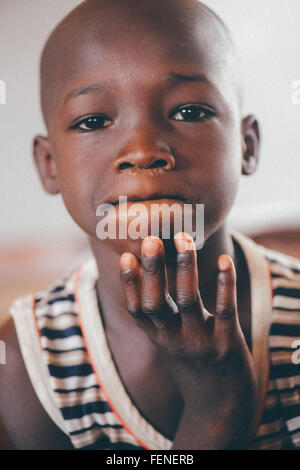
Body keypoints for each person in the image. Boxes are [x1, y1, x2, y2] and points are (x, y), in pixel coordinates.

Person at [0, 0, 299, 450]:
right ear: (49, 165)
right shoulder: (26, 362)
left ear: (247, 145)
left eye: (190, 111)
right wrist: (216, 410)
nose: (143, 151)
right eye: (94, 120)